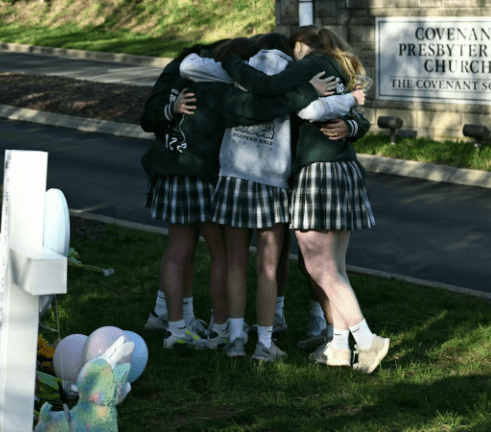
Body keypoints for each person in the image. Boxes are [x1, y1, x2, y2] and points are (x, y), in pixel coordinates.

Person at [141, 37, 337, 350]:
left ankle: (193, 328)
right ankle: (235, 333)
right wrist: (305, 91)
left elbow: (185, 72)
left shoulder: (207, 78)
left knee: (193, 251)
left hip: (197, 173)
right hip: (230, 178)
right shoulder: (243, 86)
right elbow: (257, 108)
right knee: (247, 260)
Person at [179, 33, 364, 360]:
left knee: (236, 261)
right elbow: (317, 109)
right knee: (267, 264)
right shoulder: (293, 80)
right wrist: (352, 104)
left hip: (234, 175)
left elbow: (190, 65)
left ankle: (236, 337)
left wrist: (224, 58)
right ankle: (264, 342)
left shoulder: (236, 71)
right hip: (272, 181)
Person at [219, 26, 390, 373]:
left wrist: (231, 62)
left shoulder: (309, 64)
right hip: (345, 171)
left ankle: (368, 341)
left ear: (299, 46)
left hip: (317, 174)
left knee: (320, 267)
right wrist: (349, 117)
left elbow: (269, 89)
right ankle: (339, 349)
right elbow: (357, 118)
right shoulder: (341, 68)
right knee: (336, 268)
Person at [140, 39, 230, 338]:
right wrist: (171, 109)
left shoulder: (179, 68)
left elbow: (149, 115)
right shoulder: (221, 72)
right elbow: (149, 116)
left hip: (172, 167)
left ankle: (177, 325)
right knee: (220, 251)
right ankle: (221, 326)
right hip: (201, 171)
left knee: (180, 249)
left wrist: (169, 108)